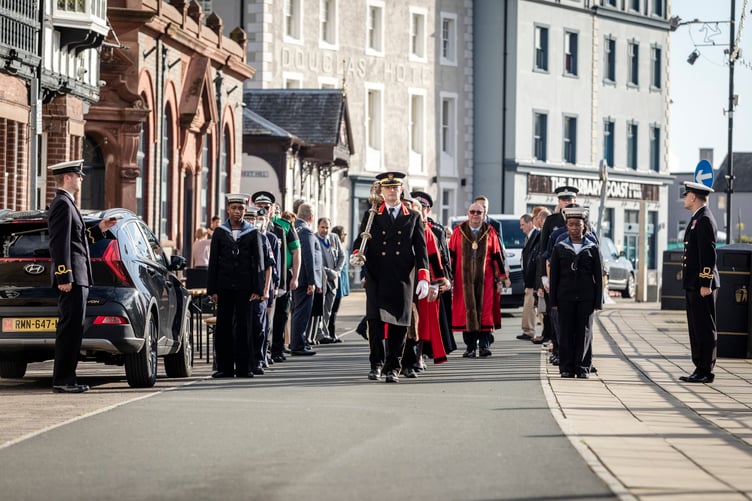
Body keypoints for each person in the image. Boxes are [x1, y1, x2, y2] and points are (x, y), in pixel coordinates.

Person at [351, 171, 430, 383]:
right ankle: (376, 365)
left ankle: (393, 367)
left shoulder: (412, 216)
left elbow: (421, 249)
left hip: (403, 277)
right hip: (377, 275)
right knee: (375, 323)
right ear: (382, 191)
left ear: (401, 190)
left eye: (395, 188)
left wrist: (423, 276)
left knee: (400, 325)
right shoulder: (372, 215)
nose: (392, 191)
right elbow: (360, 242)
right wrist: (357, 255)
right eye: (387, 188)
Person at [47, 159, 118, 393]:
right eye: (78, 175)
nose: (82, 178)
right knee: (70, 329)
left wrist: (100, 229)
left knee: (74, 329)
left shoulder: (68, 204)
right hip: (72, 279)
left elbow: (78, 238)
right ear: (67, 177)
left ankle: (67, 378)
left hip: (78, 277)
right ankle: (64, 380)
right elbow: (59, 244)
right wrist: (64, 276)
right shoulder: (63, 204)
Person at [207, 194, 271, 378]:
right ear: (228, 209)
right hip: (224, 287)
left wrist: (258, 290)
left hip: (245, 288)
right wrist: (212, 289)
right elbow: (213, 263)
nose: (237, 212)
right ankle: (224, 368)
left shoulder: (252, 233)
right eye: (234, 208)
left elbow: (259, 262)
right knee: (223, 328)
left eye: (241, 209)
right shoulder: (220, 232)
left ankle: (245, 368)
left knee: (245, 328)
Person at [549, 206, 603, 379]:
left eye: (577, 225)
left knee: (584, 332)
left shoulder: (593, 248)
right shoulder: (560, 247)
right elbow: (554, 276)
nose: (574, 228)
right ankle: (566, 367)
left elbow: (598, 276)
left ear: (584, 226)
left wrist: (598, 301)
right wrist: (553, 301)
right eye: (571, 225)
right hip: (564, 297)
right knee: (565, 332)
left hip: (586, 298)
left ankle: (582, 367)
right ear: (567, 226)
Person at [449, 202, 506, 358]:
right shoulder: (458, 232)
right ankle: (470, 347)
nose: (475, 215)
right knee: (466, 312)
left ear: (484, 214)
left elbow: (496, 256)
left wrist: (500, 279)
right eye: (472, 212)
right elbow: (451, 257)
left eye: (478, 212)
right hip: (463, 279)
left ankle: (484, 346)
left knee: (485, 312)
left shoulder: (490, 231)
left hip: (486, 279)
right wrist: (448, 278)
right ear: (468, 214)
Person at [251, 191, 301, 364]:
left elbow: (296, 251)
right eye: (259, 207)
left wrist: (295, 276)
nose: (263, 210)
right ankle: (263, 351)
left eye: (266, 207)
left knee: (280, 315)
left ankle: (277, 350)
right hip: (261, 279)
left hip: (281, 277)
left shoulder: (283, 226)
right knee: (263, 318)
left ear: (273, 208)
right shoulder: (251, 226)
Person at [678, 181, 720, 384]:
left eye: (686, 195)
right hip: (694, 283)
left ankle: (705, 369)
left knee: (704, 327)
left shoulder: (704, 220)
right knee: (695, 327)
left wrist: (706, 282)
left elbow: (708, 254)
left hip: (702, 285)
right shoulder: (697, 218)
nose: (685, 198)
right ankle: (699, 367)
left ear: (693, 197)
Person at [536, 185, 578, 365]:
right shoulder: (552, 221)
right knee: (555, 318)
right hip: (553, 275)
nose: (567, 202)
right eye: (564, 200)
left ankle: (574, 353)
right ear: (559, 202)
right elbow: (542, 250)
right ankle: (557, 349)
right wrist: (542, 278)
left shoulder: (582, 219)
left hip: (575, 277)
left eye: (570, 200)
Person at [290, 202, 321, 356]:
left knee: (297, 311)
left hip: (297, 277)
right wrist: (312, 281)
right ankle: (298, 345)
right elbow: (308, 258)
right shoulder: (307, 232)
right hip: (304, 279)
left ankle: (298, 343)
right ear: (311, 216)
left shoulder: (295, 228)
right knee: (302, 313)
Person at [315, 218, 345, 344]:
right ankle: (318, 334)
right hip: (321, 279)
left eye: (327, 227)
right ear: (318, 227)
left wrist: (337, 271)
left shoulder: (334, 238)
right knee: (319, 309)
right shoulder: (314, 239)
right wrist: (328, 272)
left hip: (333, 280)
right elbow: (316, 261)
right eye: (322, 227)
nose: (325, 230)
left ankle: (325, 333)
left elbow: (342, 256)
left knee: (328, 309)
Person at [520, 213, 540, 342]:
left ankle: (531, 331)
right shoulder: (529, 237)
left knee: (535, 306)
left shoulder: (536, 235)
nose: (521, 228)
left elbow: (535, 259)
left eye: (522, 224)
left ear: (530, 223)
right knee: (529, 305)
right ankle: (528, 330)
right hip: (529, 278)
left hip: (533, 279)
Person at [328, 226, 350, 340]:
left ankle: (331, 332)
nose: (345, 237)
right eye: (344, 234)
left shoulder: (342, 247)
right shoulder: (336, 247)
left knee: (335, 309)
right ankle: (331, 332)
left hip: (342, 282)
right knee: (333, 309)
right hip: (338, 282)